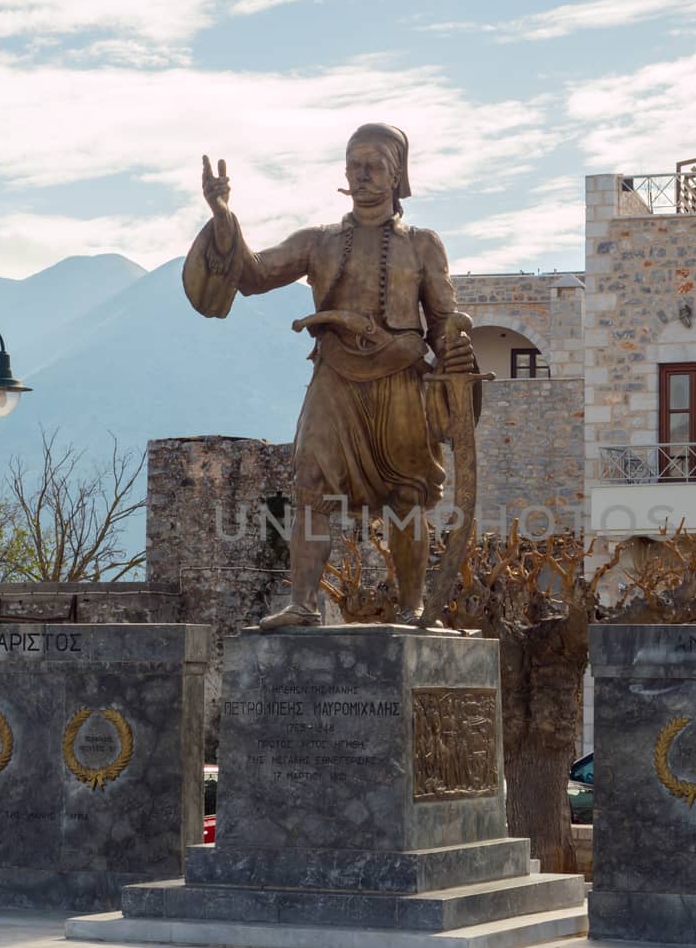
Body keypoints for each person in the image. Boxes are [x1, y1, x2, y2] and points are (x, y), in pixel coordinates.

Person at [183, 123, 476, 629]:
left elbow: (443, 319)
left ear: (396, 173)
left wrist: (455, 343)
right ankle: (302, 603)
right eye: (352, 164)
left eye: (373, 165)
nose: (361, 175)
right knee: (312, 485)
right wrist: (223, 215)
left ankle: (413, 608)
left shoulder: (423, 245)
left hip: (401, 382)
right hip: (335, 377)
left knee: (408, 495)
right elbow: (253, 274)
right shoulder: (318, 241)